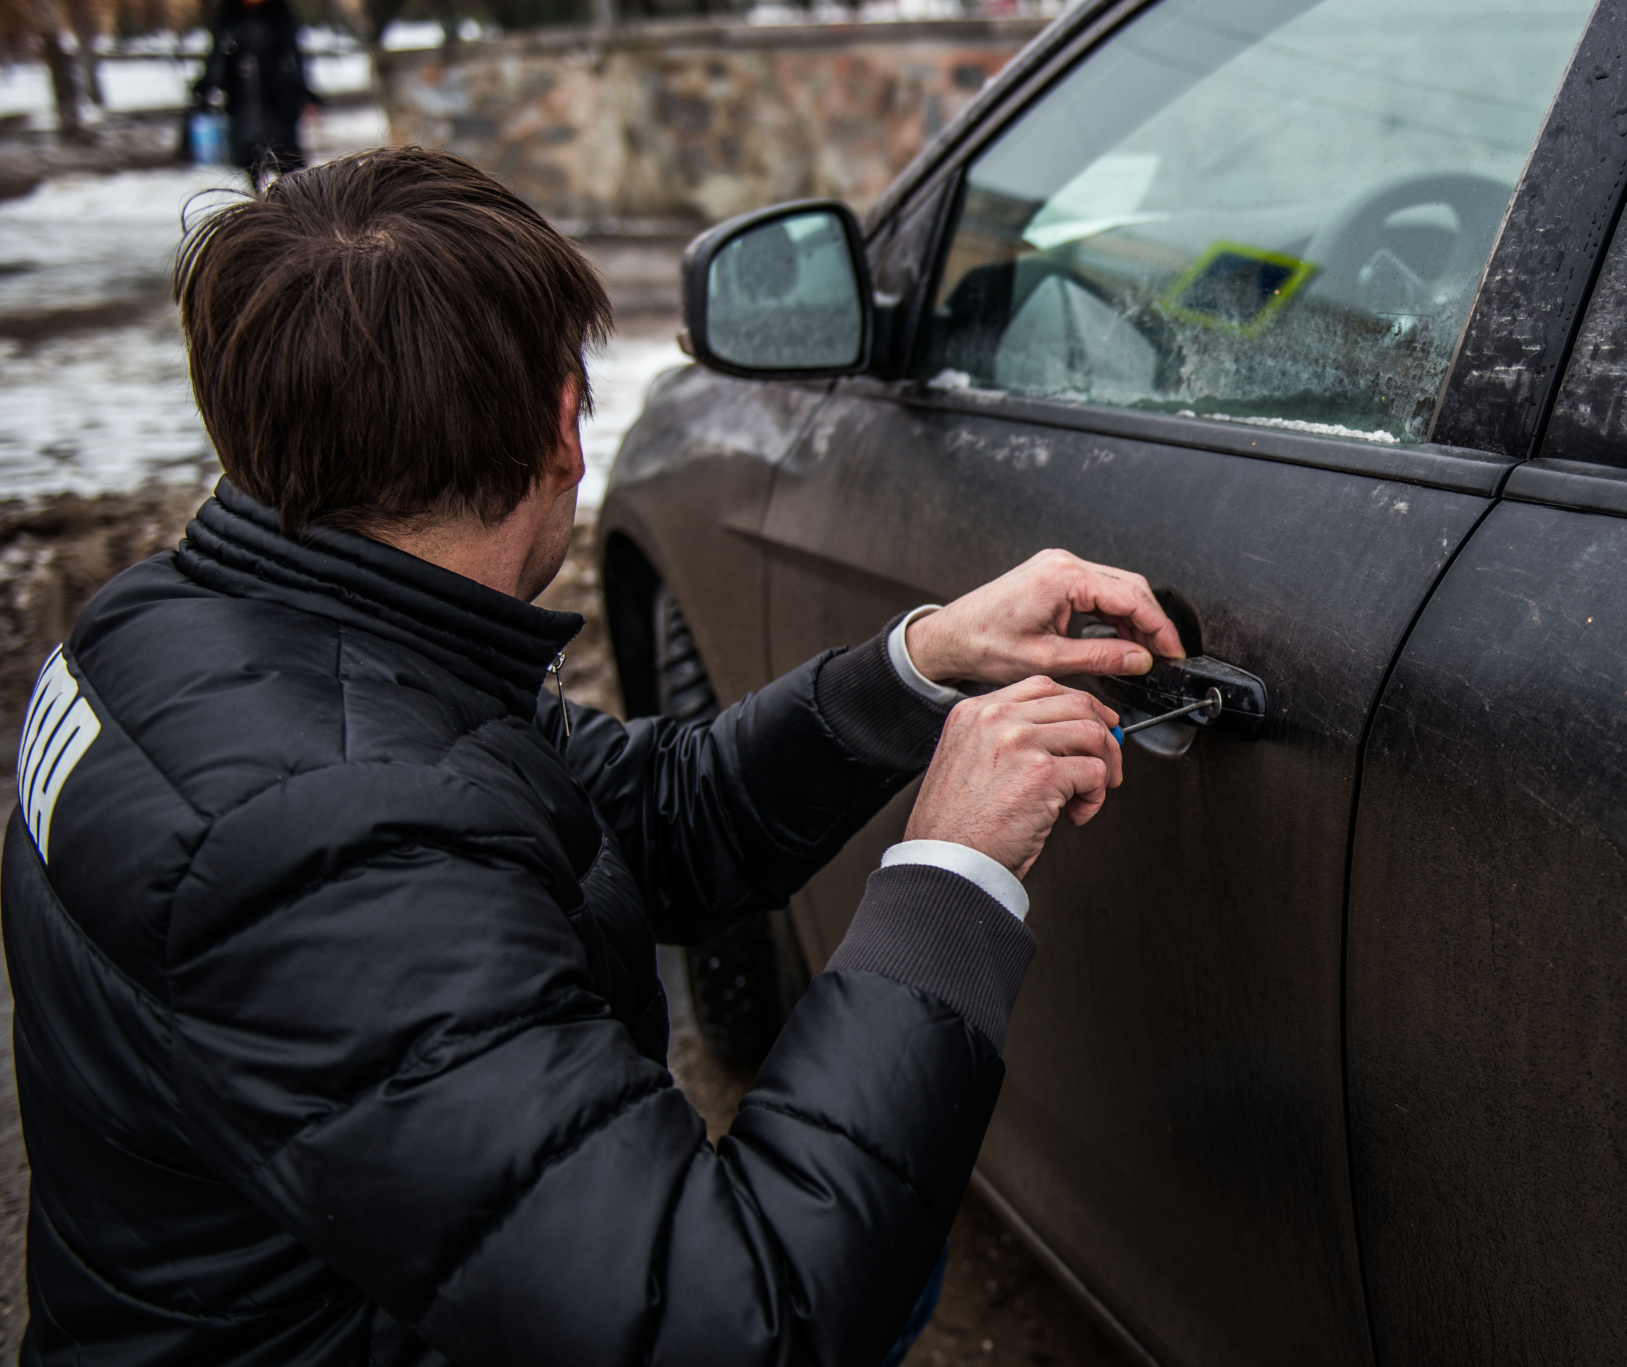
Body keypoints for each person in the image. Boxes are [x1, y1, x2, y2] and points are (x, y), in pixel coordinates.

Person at [0, 147, 1184, 1364]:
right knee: (884, 1237)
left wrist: (920, 662)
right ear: (565, 422)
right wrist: (948, 878)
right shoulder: (332, 833)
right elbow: (739, 1320)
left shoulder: (205, 631)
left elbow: (648, 816)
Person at [194, 0, 321, 184]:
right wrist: (206, 88)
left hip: (278, 103)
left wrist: (304, 96)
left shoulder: (280, 17)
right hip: (241, 104)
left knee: (287, 162)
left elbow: (295, 59)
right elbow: (216, 57)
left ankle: (292, 204)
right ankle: (258, 204)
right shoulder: (228, 17)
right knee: (248, 162)